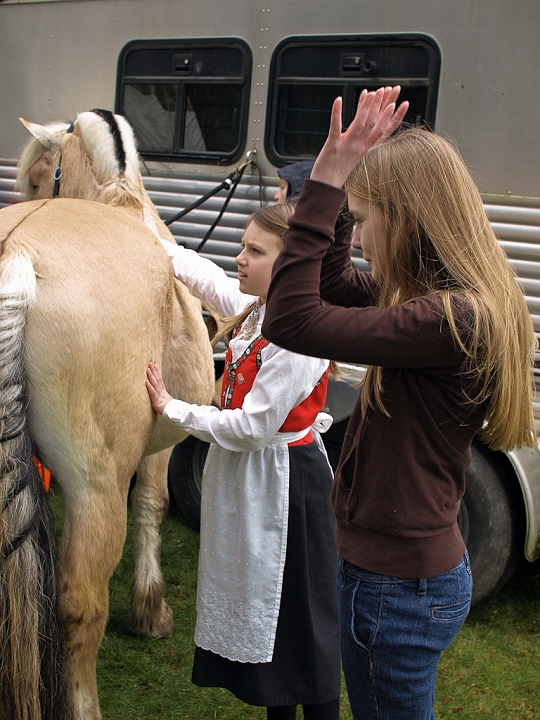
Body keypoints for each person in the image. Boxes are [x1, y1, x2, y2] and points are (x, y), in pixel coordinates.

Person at [262, 86, 537, 719]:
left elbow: (292, 317)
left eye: (363, 218)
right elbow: (328, 282)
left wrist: (328, 179)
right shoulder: (433, 298)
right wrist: (341, 179)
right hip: (397, 580)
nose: (355, 235)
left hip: (395, 591)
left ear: (407, 219)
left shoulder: (446, 318)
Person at [145, 202, 341, 720]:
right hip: (256, 480)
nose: (240, 258)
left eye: (255, 250)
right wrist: (147, 236)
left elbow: (253, 429)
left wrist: (174, 409)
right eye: (242, 245)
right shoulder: (260, 309)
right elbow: (205, 277)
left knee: (306, 623)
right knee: (277, 629)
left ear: (292, 262)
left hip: (288, 486)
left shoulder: (299, 335)